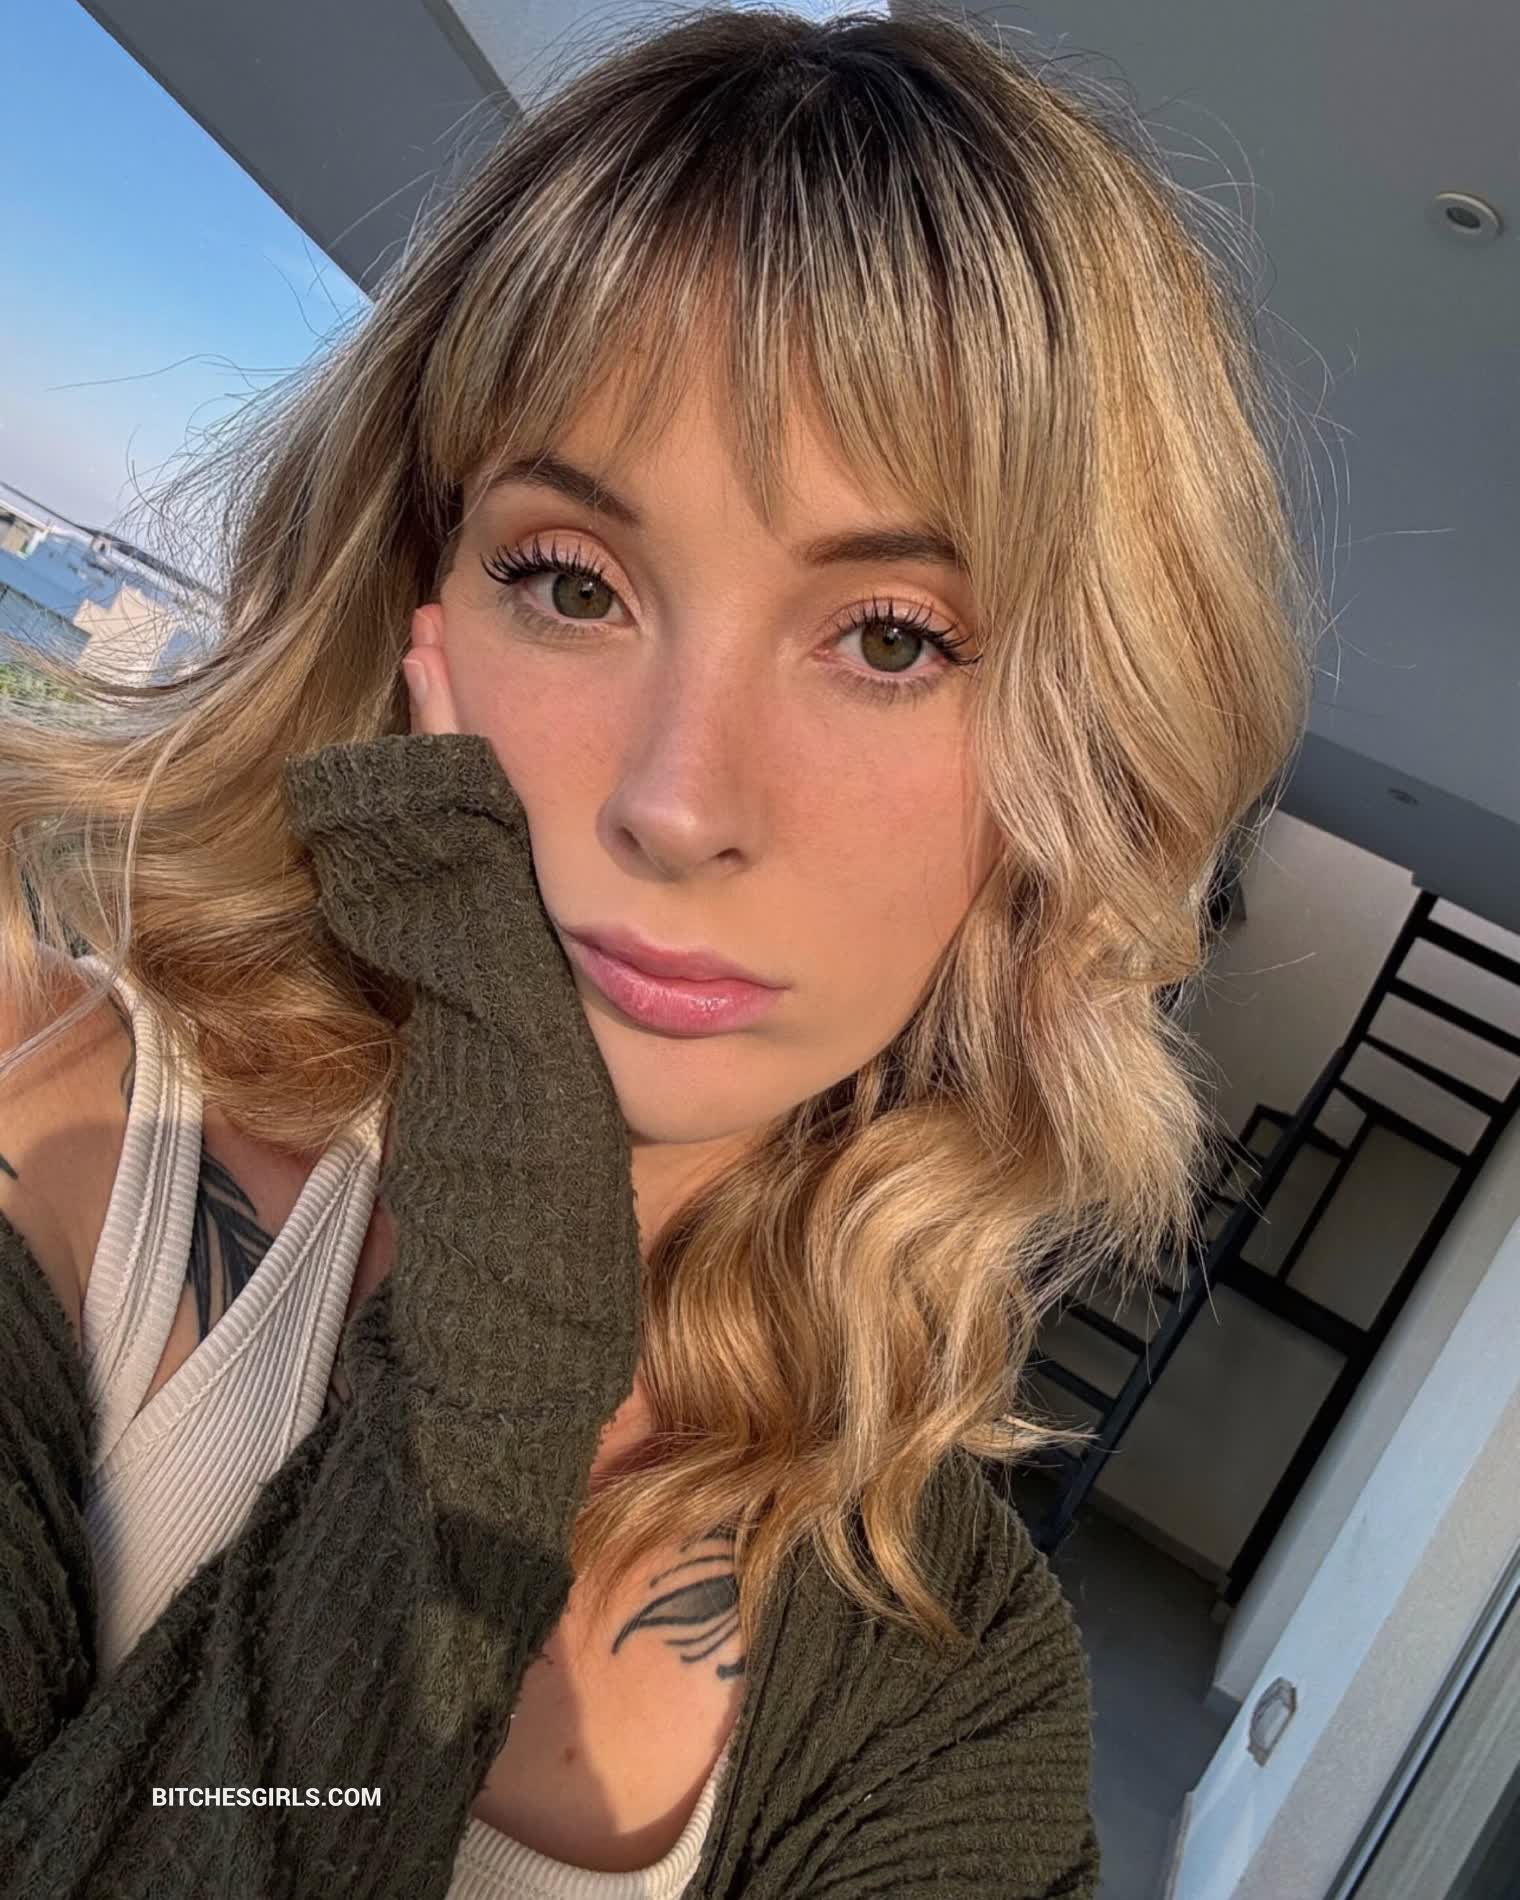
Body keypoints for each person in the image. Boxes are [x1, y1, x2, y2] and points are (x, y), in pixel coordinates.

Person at [0, 6, 1315, 1895]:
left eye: (890, 638)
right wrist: (506, 1320)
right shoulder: (47, 1135)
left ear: (1078, 766)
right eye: (573, 583)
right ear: (416, 593)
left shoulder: (953, 1697)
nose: (679, 803)